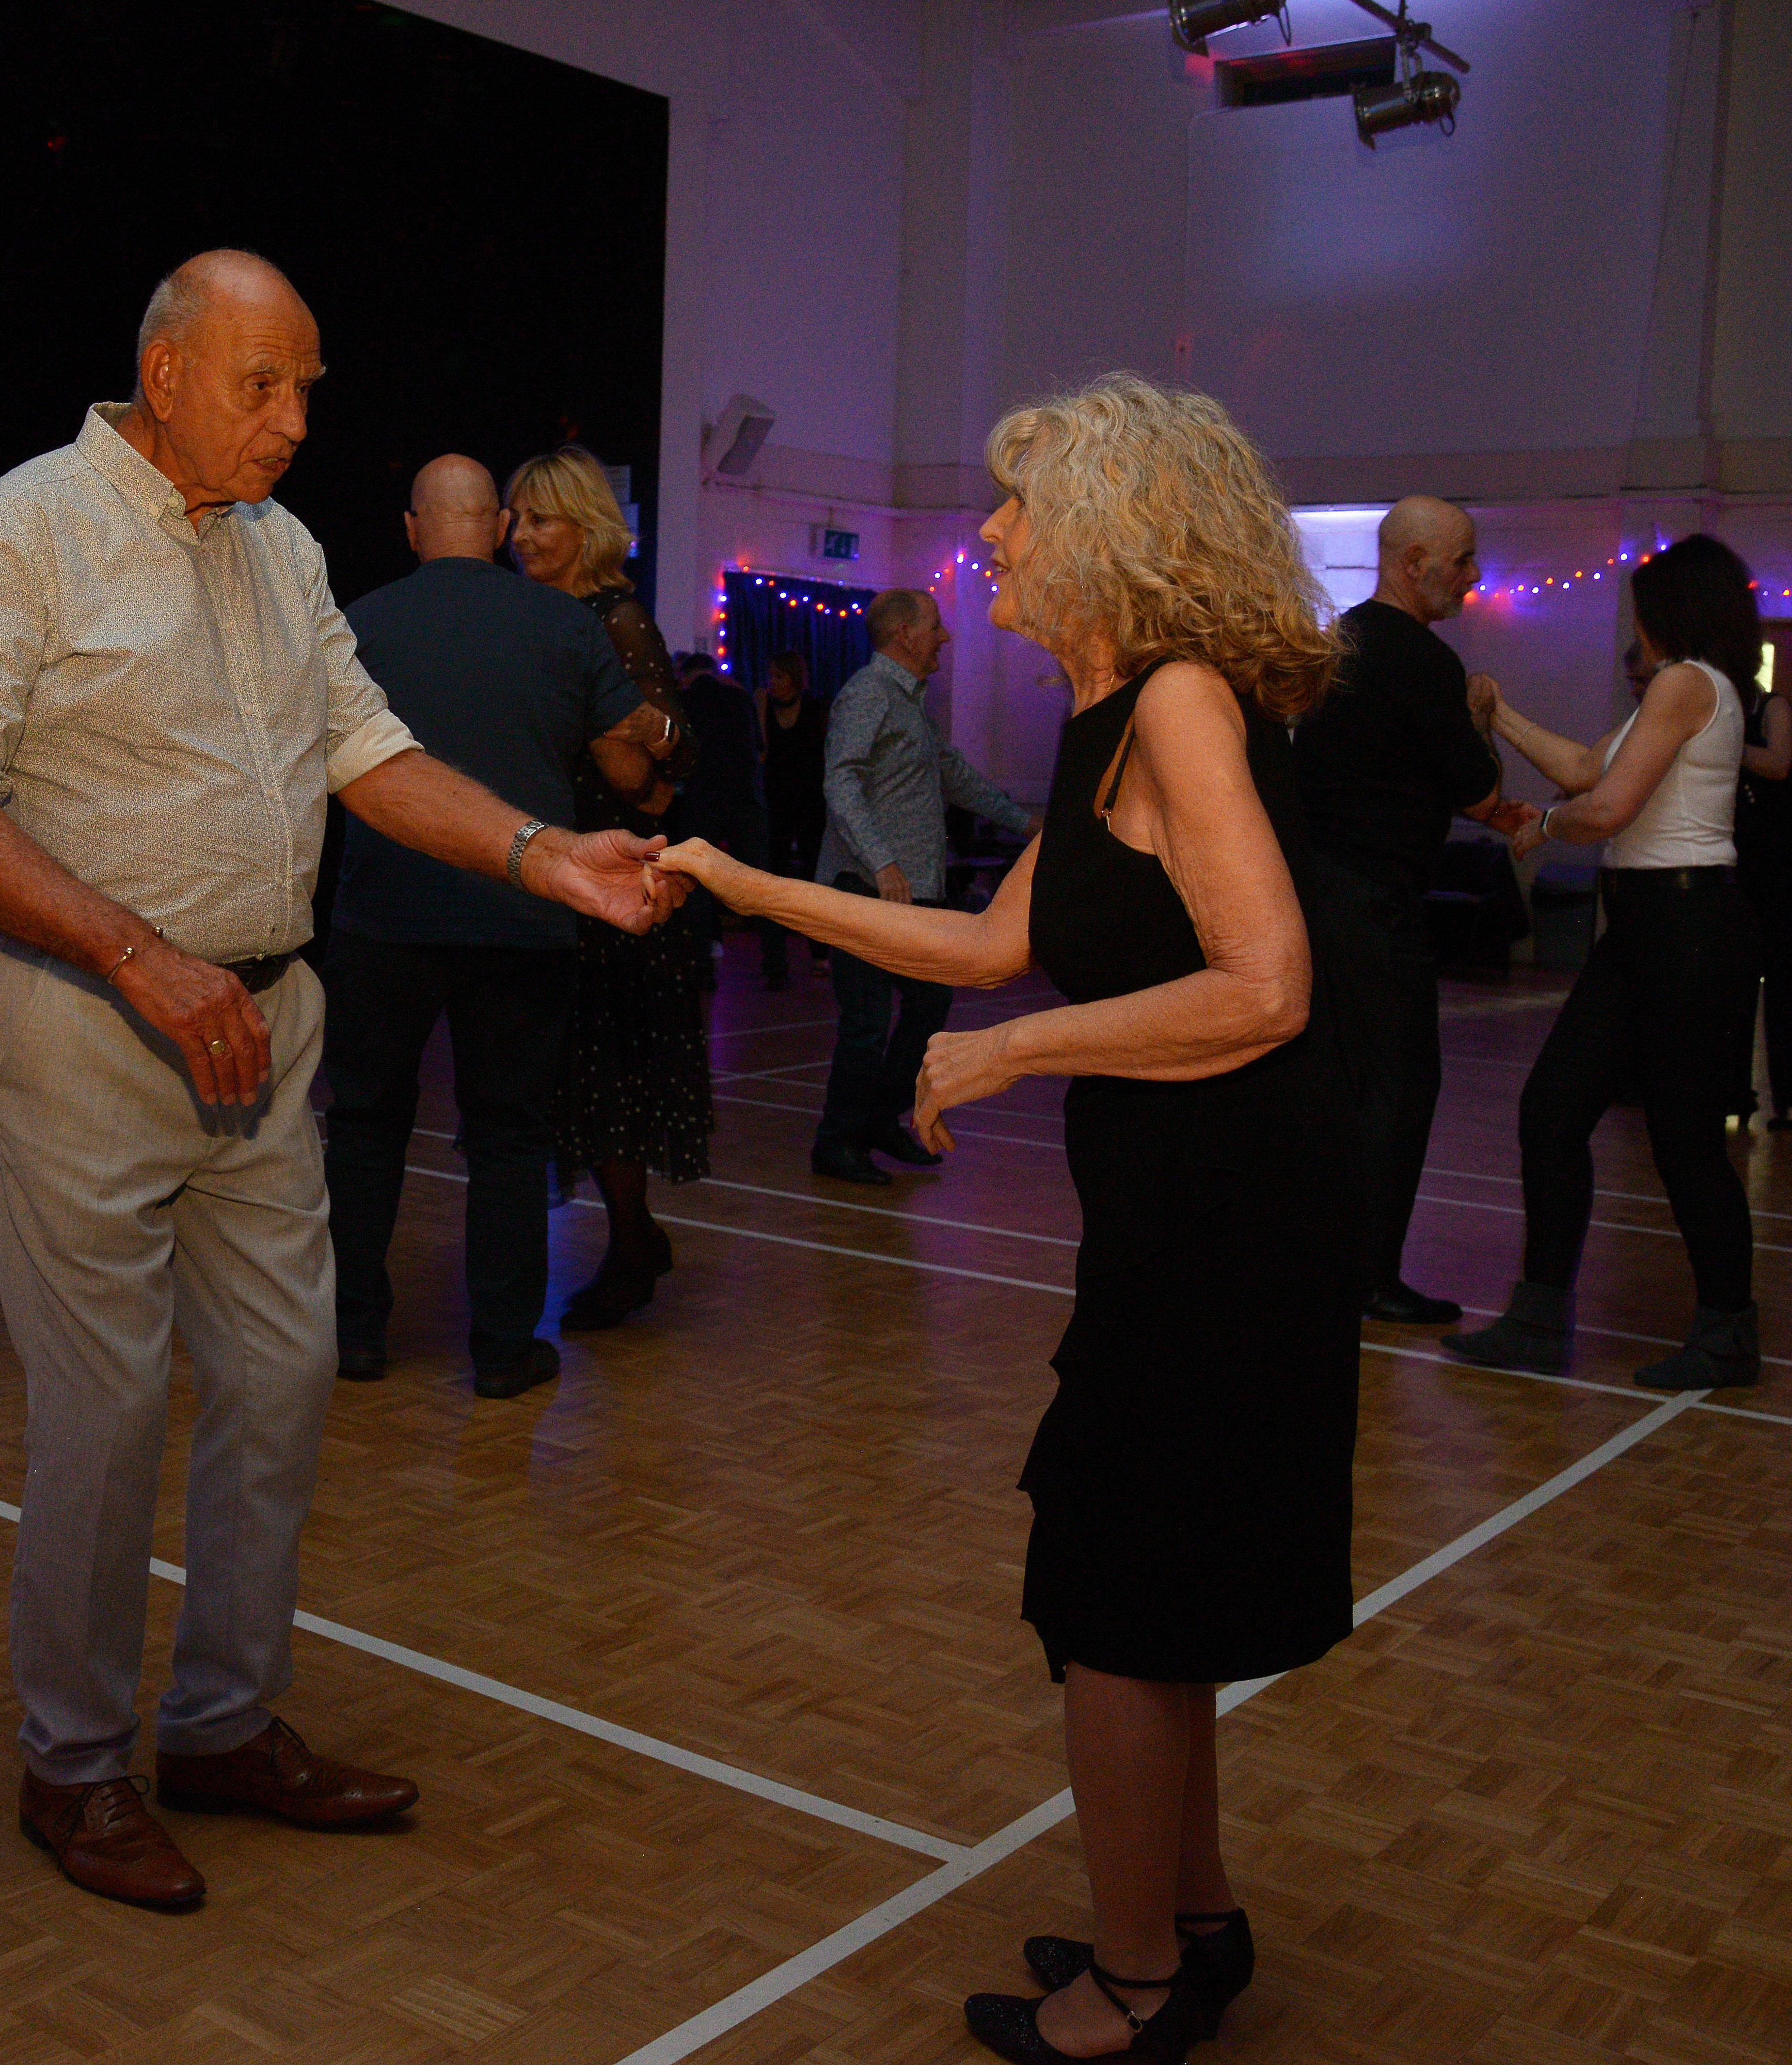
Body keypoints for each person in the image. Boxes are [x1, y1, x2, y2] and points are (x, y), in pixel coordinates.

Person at [0, 251, 684, 1913]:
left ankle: (224, 1724)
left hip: (267, 1029)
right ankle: (73, 1760)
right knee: (105, 1411)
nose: (295, 420)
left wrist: (543, 854)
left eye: (308, 386)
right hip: (87, 1025)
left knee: (284, 1373)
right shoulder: (22, 529)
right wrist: (137, 953)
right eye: (264, 386)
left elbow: (361, 749)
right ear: (167, 374)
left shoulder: (282, 545)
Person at [658, 373, 1358, 2064]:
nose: (989, 531)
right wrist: (742, 881)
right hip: (1174, 1214)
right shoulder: (1109, 715)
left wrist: (1010, 1053)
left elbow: (1264, 987)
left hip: (1224, 1226)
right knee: (1150, 1596)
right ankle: (1188, 1921)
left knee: (1111, 1606)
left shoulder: (1179, 700)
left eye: (1020, 504)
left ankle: (1133, 1984)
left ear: (1109, 529)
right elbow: (984, 943)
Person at [321, 456, 669, 1400]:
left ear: (412, 528)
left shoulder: (356, 622)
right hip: (522, 914)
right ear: (502, 524)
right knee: (509, 1136)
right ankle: (505, 1349)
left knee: (363, 1126)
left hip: (383, 913)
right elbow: (627, 766)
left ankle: (354, 1333)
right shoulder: (565, 623)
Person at [1442, 532, 1763, 1390]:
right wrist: (1499, 714)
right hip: (1649, 928)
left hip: (1686, 925)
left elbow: (1607, 805)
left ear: (1671, 611)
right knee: (1551, 1111)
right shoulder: (1681, 688)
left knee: (1683, 1141)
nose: (1636, 629)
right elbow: (1587, 767)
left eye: (1642, 611)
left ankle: (1727, 1332)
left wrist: (1538, 828)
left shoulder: (1684, 681)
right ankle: (1537, 1317)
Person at [1291, 497, 1539, 1326]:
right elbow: (1477, 788)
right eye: (1461, 559)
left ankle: (1322, 1260)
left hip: (1313, 891)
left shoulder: (1337, 641)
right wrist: (1478, 717)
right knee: (1399, 1082)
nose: (1472, 575)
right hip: (1369, 897)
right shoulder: (1422, 658)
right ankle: (1368, 1275)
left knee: (1338, 1081)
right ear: (1413, 562)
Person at [508, 446, 709, 1329]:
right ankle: (634, 1236)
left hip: (617, 887)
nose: (521, 535)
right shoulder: (533, 619)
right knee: (575, 1081)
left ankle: (631, 1245)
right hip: (552, 876)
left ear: (584, 525)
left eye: (539, 518)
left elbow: (665, 765)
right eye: (516, 518)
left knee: (610, 1080)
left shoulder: (613, 618)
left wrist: (626, 726)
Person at [810, 587, 1037, 1185]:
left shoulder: (911, 703)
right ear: (905, 634)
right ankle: (837, 1142)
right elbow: (840, 783)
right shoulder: (868, 693)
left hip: (913, 892)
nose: (945, 637)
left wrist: (1027, 823)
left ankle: (880, 1120)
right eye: (935, 626)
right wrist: (882, 862)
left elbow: (954, 776)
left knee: (930, 1005)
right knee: (866, 1022)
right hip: (866, 888)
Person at [1733, 649, 1792, 1128]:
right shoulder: (1721, 717)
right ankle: (1736, 1093)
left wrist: (1725, 743)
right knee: (1742, 975)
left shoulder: (1775, 707)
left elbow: (1778, 763)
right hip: (1749, 860)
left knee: (1790, 979)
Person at [670, 650, 769, 988]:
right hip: (744, 797)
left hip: (702, 797)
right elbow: (760, 747)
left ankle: (702, 966)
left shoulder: (683, 700)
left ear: (686, 675)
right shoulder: (739, 697)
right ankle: (776, 964)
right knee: (762, 882)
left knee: (696, 882)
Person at [755, 650, 831, 990]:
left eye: (779, 676)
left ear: (794, 679)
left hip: (812, 801)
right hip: (778, 801)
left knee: (815, 874)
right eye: (771, 675)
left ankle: (820, 953)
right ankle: (776, 959)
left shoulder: (815, 708)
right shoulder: (764, 705)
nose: (773, 682)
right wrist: (760, 710)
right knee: (775, 875)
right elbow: (763, 751)